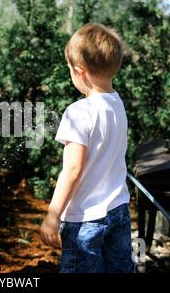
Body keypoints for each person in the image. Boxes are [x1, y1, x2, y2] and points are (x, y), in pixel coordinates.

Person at [40, 23, 134, 273]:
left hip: (85, 220)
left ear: (80, 72)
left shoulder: (78, 112)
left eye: (70, 69)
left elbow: (72, 169)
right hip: (119, 211)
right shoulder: (117, 103)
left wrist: (53, 214)